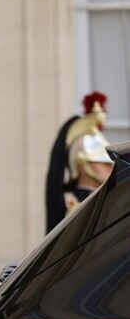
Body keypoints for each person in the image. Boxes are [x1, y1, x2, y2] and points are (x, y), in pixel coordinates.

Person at [45, 91, 115, 232]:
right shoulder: (75, 207)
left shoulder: (108, 200)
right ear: (81, 163)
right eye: (102, 161)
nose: (111, 165)